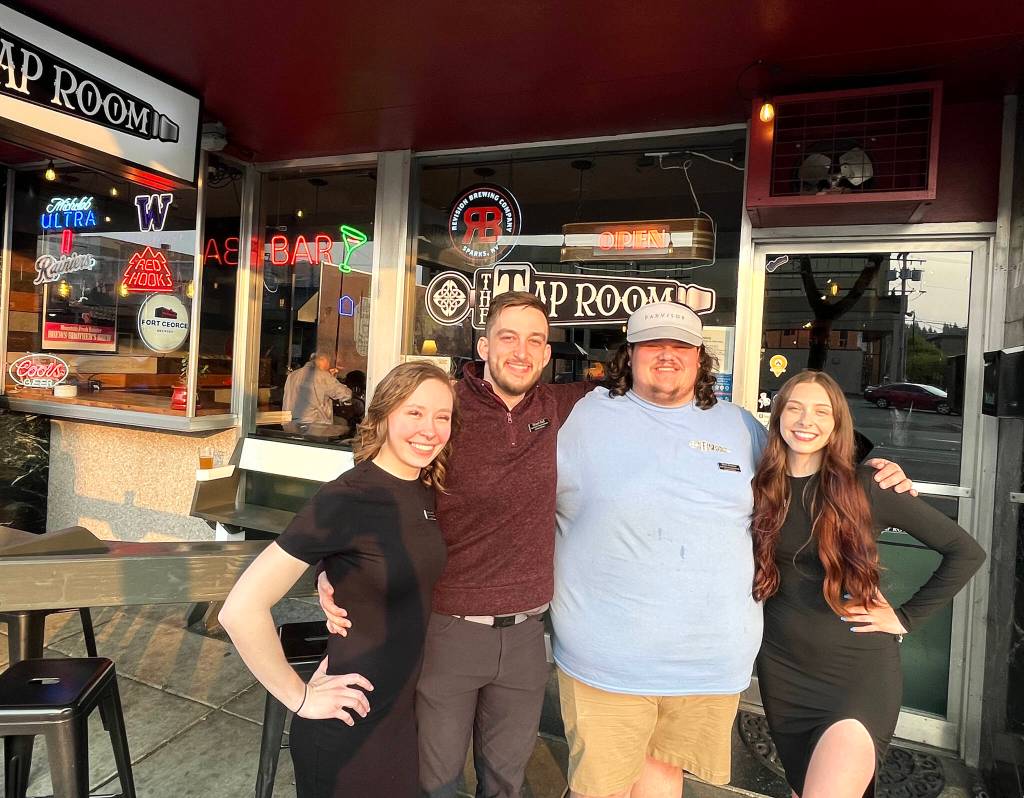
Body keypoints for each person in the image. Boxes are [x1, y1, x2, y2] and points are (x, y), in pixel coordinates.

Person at [550, 301, 912, 798]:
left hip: (709, 661)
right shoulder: (579, 417)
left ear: (700, 357)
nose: (667, 355)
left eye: (681, 345)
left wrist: (873, 472)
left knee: (665, 776)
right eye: (653, 343)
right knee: (600, 789)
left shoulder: (742, 428)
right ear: (628, 353)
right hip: (607, 658)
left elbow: (810, 470)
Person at [319, 290, 594, 797]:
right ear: (484, 346)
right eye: (507, 338)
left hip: (528, 634)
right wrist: (334, 568)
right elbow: (378, 484)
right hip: (448, 628)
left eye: (535, 340)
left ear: (547, 354)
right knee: (437, 780)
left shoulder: (558, 405)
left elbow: (642, 385)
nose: (521, 351)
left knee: (506, 780)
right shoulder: (445, 408)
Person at [219, 361, 457, 797]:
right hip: (349, 729)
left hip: (399, 722)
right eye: (414, 412)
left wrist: (327, 570)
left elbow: (375, 562)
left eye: (442, 416)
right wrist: (299, 697)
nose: (430, 429)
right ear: (384, 414)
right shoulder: (347, 497)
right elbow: (240, 609)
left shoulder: (424, 488)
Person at [751, 370, 985, 798]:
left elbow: (966, 552)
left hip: (855, 675)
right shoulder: (761, 486)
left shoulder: (866, 486)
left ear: (838, 423)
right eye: (795, 408)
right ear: (778, 415)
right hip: (782, 670)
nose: (806, 421)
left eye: (821, 411)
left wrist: (906, 618)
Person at [282, 352, 353, 432]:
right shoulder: (323, 375)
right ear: (323, 360)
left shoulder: (292, 375)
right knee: (344, 425)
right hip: (314, 426)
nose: (328, 366)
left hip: (290, 425)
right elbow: (345, 394)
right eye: (328, 363)